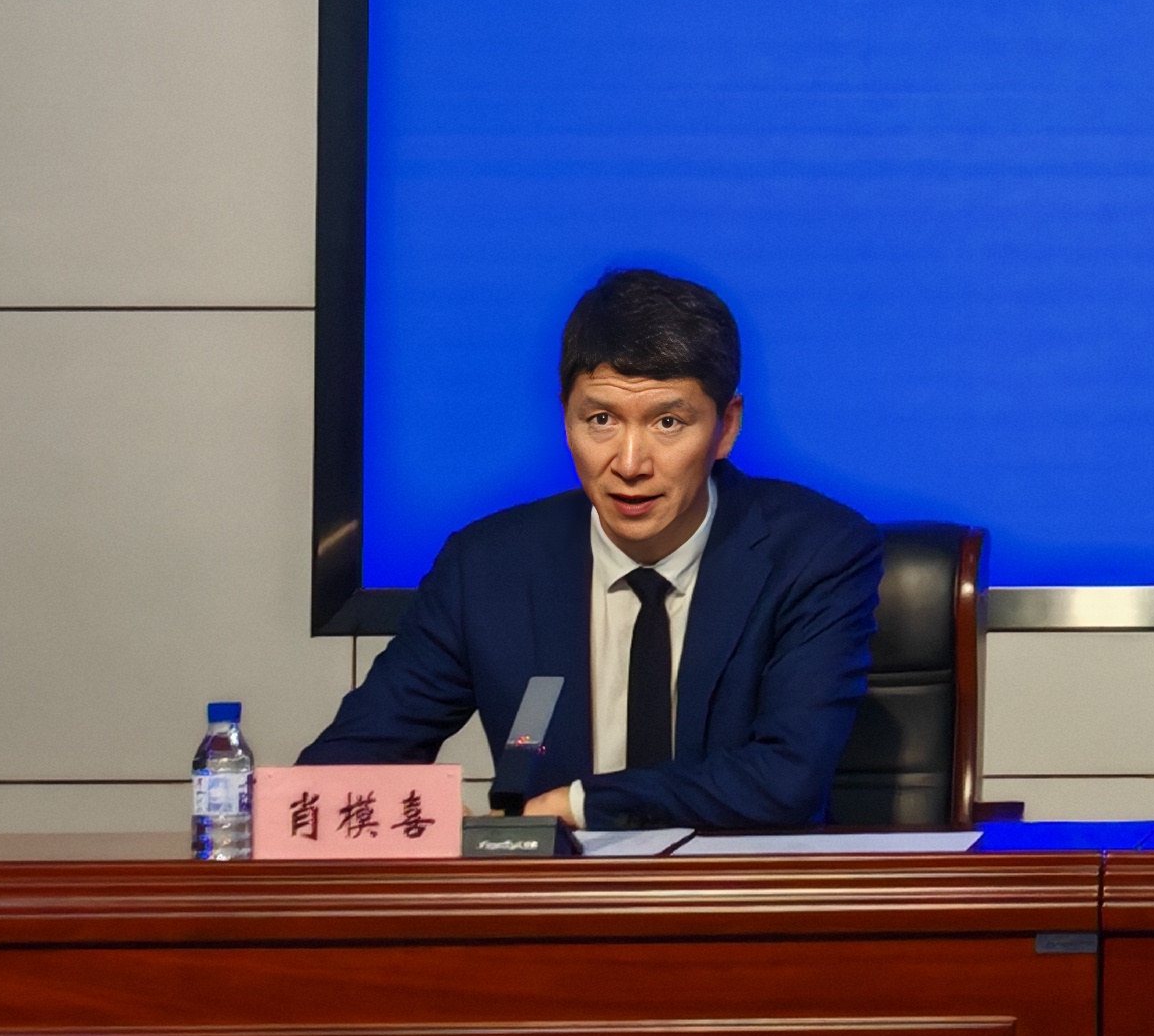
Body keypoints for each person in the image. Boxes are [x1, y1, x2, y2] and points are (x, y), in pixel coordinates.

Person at [303, 269, 885, 834]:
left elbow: (786, 779)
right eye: (601, 419)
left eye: (668, 422)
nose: (629, 464)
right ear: (566, 418)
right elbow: (339, 769)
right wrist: (421, 820)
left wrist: (580, 805)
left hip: (744, 891)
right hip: (553, 896)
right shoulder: (487, 569)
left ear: (726, 427)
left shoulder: (815, 553)